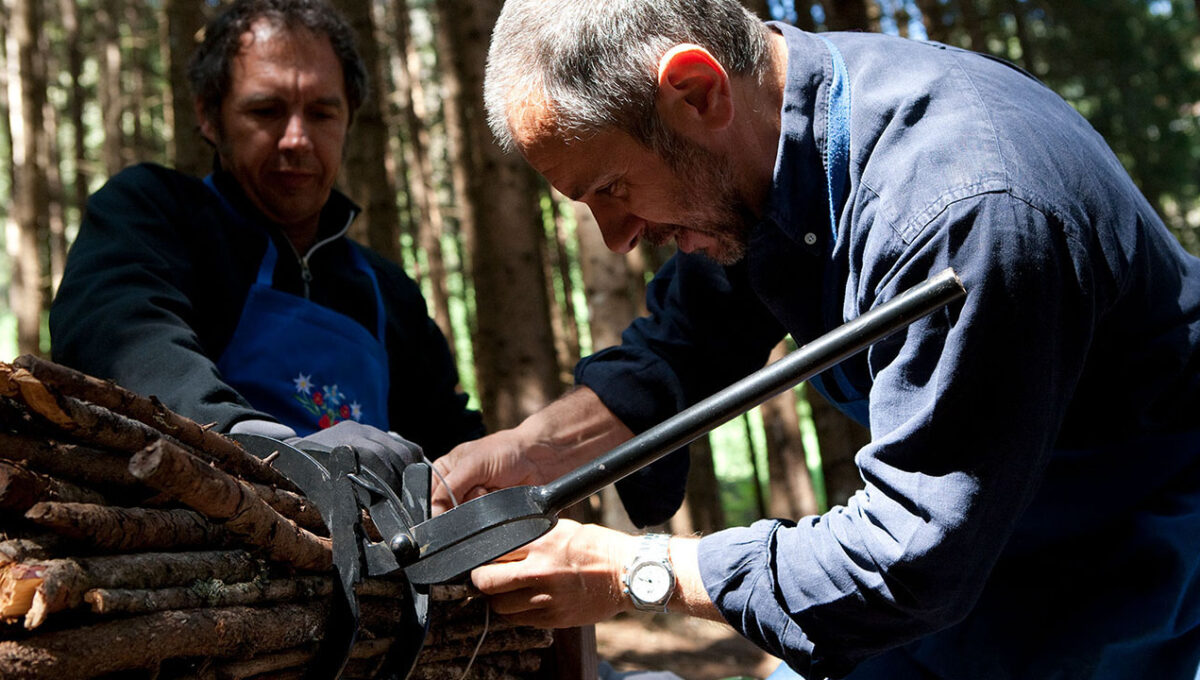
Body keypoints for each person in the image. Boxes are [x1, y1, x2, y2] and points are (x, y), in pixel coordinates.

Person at [430, 0, 1200, 678]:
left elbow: (911, 556)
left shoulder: (962, 208)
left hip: (1135, 578)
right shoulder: (759, 138)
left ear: (695, 91)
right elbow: (686, 341)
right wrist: (536, 451)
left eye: (611, 190)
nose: (617, 238)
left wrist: (633, 571)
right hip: (971, 568)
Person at [50, 0, 482, 469]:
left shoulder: (388, 291)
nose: (296, 138)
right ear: (210, 117)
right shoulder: (152, 214)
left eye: (322, 113)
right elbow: (119, 336)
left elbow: (449, 441)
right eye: (266, 110)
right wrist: (252, 441)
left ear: (348, 121)